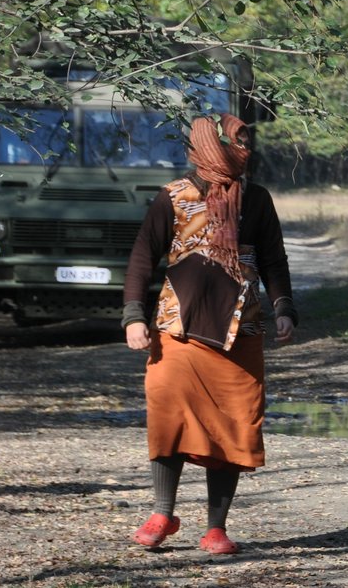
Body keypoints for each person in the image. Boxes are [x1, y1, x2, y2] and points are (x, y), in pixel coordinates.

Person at [124, 113, 296, 556]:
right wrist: (133, 315)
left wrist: (283, 307)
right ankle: (163, 512)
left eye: (246, 141)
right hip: (177, 329)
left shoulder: (255, 199)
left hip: (241, 331)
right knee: (168, 418)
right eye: (237, 141)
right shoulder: (175, 197)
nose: (246, 149)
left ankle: (216, 528)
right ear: (210, 146)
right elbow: (144, 254)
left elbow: (274, 259)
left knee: (232, 425)